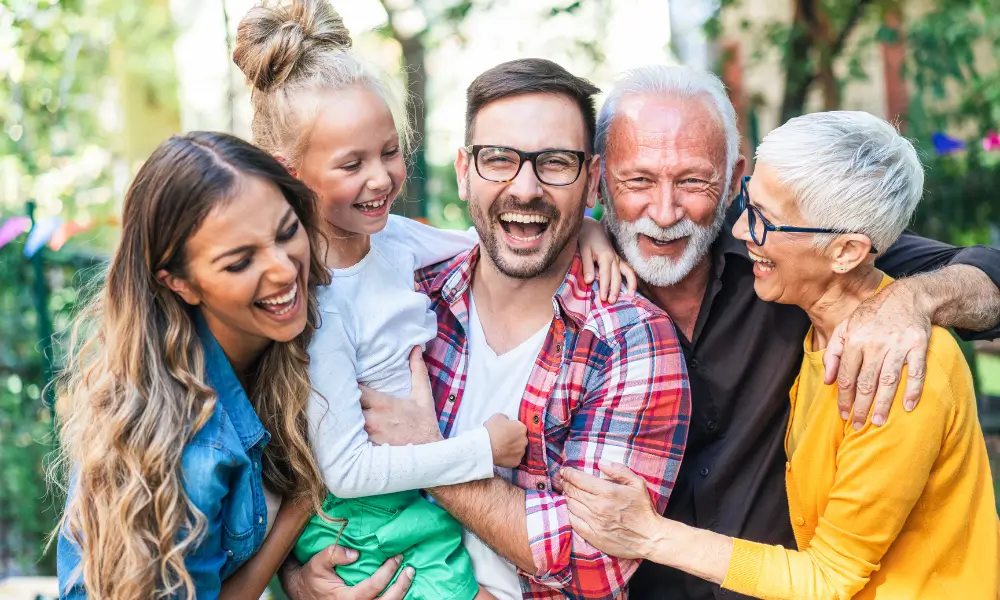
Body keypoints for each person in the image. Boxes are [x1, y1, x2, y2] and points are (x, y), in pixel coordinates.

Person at [231, 4, 635, 599]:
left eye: (389, 153)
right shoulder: (312, 301)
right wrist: (480, 452)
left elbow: (499, 234)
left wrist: (590, 226)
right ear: (290, 173)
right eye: (352, 164)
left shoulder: (393, 242)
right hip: (359, 514)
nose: (381, 179)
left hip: (411, 503)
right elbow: (343, 469)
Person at [571, 64, 1000, 600]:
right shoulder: (576, 282)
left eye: (692, 181)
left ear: (730, 179)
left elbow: (831, 575)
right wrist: (581, 226)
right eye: (636, 181)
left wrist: (916, 297)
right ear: (598, 180)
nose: (662, 212)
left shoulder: (872, 334)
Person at [308, 58, 691, 600]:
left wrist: (429, 452)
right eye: (499, 160)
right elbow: (301, 451)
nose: (526, 187)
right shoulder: (406, 294)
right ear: (464, 170)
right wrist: (301, 579)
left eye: (556, 163)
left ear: (593, 180)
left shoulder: (629, 340)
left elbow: (593, 564)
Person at [54, 132, 333, 599]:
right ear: (180, 283)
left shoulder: (272, 334)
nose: (284, 269)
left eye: (287, 232)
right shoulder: (193, 452)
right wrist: (302, 505)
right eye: (240, 262)